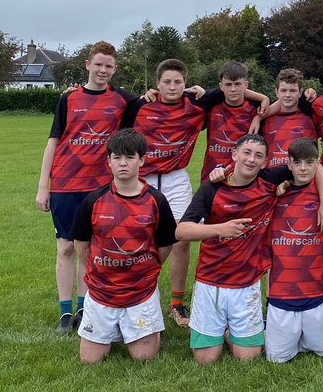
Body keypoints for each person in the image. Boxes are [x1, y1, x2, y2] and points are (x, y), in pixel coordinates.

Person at [176, 134, 323, 365]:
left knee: (248, 359)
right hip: (211, 281)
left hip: (247, 283)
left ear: (265, 162)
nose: (251, 160)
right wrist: (219, 229)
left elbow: (312, 162)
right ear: (234, 155)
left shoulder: (269, 180)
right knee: (205, 360)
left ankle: (224, 330)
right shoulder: (213, 188)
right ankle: (209, 328)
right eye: (247, 153)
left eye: (258, 156)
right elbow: (181, 231)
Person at [35, 41, 141, 333]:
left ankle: (85, 307)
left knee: (90, 248)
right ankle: (64, 313)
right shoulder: (68, 99)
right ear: (88, 65)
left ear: (115, 69)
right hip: (66, 184)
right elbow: (53, 142)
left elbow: (154, 100)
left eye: (109, 66)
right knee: (66, 247)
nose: (103, 70)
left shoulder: (122, 101)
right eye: (99, 64)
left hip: (100, 187)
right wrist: (43, 186)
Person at [72, 128, 177, 363]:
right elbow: (82, 245)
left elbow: (165, 245)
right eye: (117, 157)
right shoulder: (94, 200)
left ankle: (149, 328)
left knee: (144, 358)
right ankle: (118, 329)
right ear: (108, 161)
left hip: (141, 291)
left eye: (130, 157)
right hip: (102, 290)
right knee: (90, 360)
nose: (123, 163)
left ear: (142, 160)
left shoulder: (156, 200)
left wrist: (144, 269)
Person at [121, 58, 207, 328]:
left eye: (178, 82)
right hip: (142, 179)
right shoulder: (139, 107)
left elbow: (235, 91)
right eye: (167, 82)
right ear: (157, 84)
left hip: (175, 179)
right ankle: (135, 294)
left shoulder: (196, 107)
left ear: (186, 83)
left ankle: (177, 303)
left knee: (181, 238)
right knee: (139, 238)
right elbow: (107, 95)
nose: (172, 87)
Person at [263, 137, 323, 363]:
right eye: (297, 163)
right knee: (276, 358)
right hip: (281, 297)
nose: (303, 168)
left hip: (316, 295)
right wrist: (221, 172)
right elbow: (241, 177)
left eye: (310, 163)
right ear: (288, 164)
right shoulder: (270, 187)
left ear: (318, 164)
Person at [197, 61, 270, 182]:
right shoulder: (210, 105)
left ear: (246, 85)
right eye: (228, 84)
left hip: (243, 179)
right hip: (210, 176)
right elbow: (178, 95)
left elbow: (285, 103)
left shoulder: (256, 108)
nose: (233, 89)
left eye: (237, 84)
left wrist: (259, 116)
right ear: (221, 86)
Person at [255, 67, 318, 169]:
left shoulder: (311, 115)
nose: (287, 95)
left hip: (300, 178)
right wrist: (257, 118)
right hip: (271, 179)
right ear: (276, 92)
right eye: (283, 90)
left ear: (300, 92)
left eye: (292, 91)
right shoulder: (265, 118)